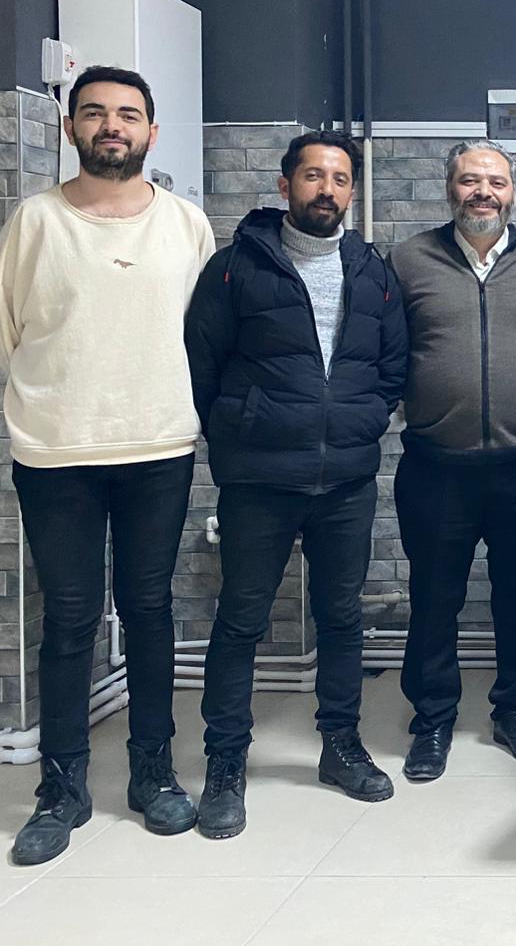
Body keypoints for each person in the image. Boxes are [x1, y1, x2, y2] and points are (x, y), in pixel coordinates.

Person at [2, 67, 213, 865]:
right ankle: (61, 790)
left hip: (158, 447)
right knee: (69, 617)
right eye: (94, 113)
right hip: (56, 450)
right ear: (71, 129)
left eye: (127, 114)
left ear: (151, 132)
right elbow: (8, 330)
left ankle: (153, 775)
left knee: (150, 609)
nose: (111, 126)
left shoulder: (186, 225)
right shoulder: (35, 222)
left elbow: (203, 335)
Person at [185, 130, 407, 837]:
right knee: (241, 620)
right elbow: (201, 362)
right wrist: (238, 428)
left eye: (339, 179)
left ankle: (340, 746)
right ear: (285, 186)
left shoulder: (372, 271)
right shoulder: (236, 268)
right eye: (313, 176)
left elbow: (393, 366)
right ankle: (225, 761)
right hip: (259, 479)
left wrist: (364, 420)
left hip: (345, 479)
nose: (326, 190)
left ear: (352, 192)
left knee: (342, 618)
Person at [388, 142, 516, 781]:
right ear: (450, 188)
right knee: (434, 596)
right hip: (437, 463)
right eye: (470, 180)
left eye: (496, 181)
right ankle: (432, 720)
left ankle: (514, 711)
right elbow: (385, 351)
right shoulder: (407, 262)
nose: (483, 192)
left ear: (514, 192)